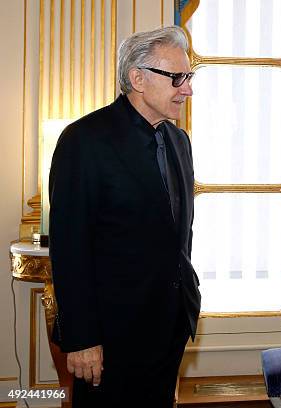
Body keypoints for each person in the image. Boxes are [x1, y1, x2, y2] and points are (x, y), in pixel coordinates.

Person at [48, 26, 201, 408]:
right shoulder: (83, 141)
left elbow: (178, 232)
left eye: (189, 77)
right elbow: (69, 249)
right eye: (178, 78)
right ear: (138, 78)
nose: (187, 89)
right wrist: (82, 338)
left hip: (170, 323)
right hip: (110, 335)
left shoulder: (179, 141)